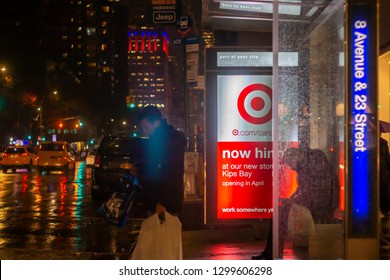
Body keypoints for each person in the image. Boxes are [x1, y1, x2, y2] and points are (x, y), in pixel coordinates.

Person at [252, 147, 340, 260]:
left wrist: (292, 200)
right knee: (280, 211)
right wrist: (291, 199)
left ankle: (272, 252)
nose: (291, 167)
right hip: (320, 201)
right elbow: (305, 188)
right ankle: (271, 252)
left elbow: (313, 189)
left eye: (290, 163)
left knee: (280, 214)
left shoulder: (312, 161)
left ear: (296, 156)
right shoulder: (307, 163)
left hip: (322, 203)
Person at [137, 105, 187, 219]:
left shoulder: (171, 140)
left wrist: (163, 202)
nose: (144, 131)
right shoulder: (156, 139)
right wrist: (139, 169)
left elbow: (173, 173)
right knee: (157, 235)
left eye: (146, 127)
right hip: (156, 200)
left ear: (156, 122)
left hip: (166, 204)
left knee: (165, 235)